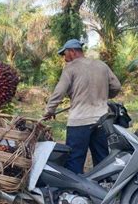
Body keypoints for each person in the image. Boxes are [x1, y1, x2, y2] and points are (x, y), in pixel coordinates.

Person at [42, 39, 121, 174]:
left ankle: (75, 193)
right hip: (102, 120)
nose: (64, 58)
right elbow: (116, 86)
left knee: (74, 159)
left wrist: (49, 111)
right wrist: (103, 97)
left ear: (72, 51)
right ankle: (103, 188)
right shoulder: (101, 65)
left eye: (65, 54)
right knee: (102, 158)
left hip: (79, 121)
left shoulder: (71, 68)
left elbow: (59, 92)